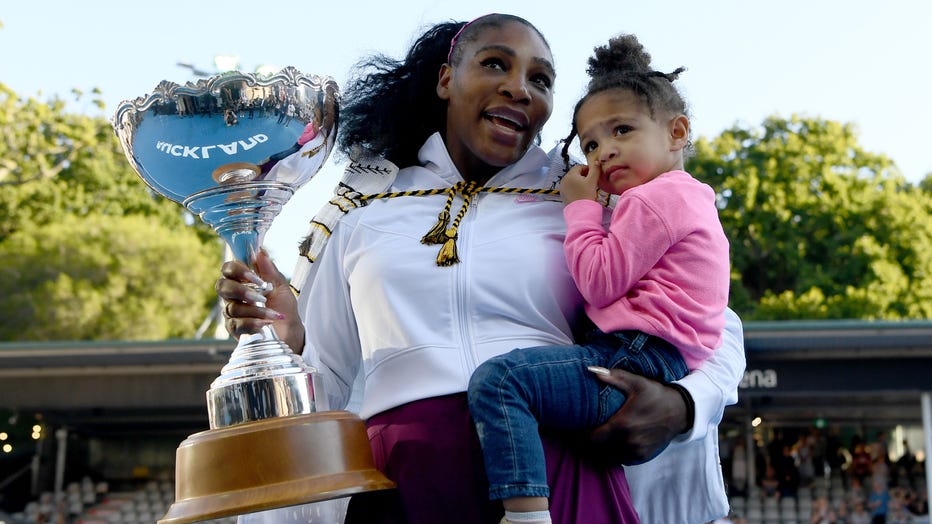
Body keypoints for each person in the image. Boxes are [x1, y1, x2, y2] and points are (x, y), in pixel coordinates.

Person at [216, 13, 746, 524]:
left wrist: (684, 404)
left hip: (557, 468)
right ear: (446, 79)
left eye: (540, 79)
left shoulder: (587, 196)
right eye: (495, 64)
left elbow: (709, 318)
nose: (520, 89)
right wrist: (291, 341)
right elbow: (330, 378)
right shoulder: (364, 212)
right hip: (405, 476)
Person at [465, 33, 730, 524]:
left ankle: (525, 516)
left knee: (503, 382)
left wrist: (581, 208)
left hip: (634, 354)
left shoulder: (653, 200)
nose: (604, 151)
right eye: (590, 142)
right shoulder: (686, 197)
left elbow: (599, 281)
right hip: (657, 357)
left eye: (622, 130)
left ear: (676, 132)